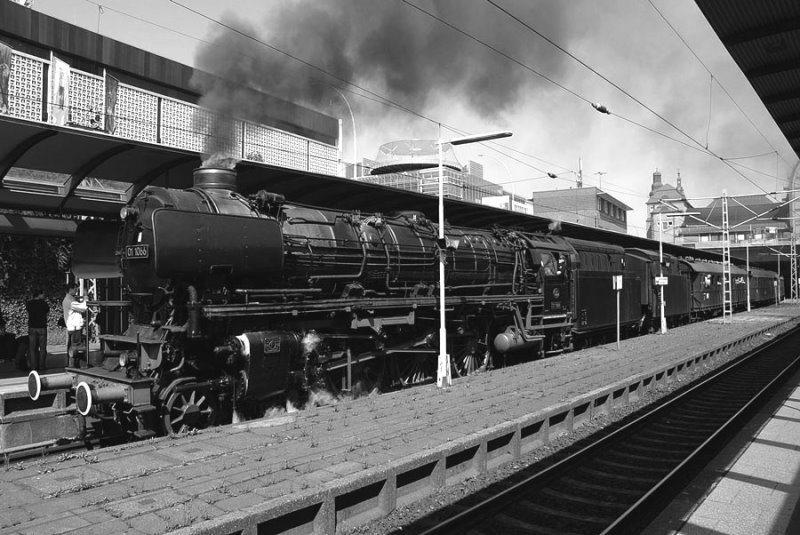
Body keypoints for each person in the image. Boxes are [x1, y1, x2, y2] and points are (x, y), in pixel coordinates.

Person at [62, 283, 87, 368]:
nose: (77, 291)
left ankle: (72, 364)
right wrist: (85, 299)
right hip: (75, 327)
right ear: (70, 289)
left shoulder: (70, 300)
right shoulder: (70, 301)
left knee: (72, 347)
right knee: (76, 348)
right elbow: (83, 308)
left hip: (73, 327)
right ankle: (74, 366)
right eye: (76, 289)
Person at [26, 289, 49, 371]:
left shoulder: (29, 303)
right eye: (43, 294)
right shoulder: (44, 303)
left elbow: (28, 310)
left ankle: (33, 366)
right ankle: (42, 366)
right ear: (39, 294)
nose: (44, 296)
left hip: (32, 327)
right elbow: (47, 311)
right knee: (42, 348)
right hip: (42, 327)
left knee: (32, 348)